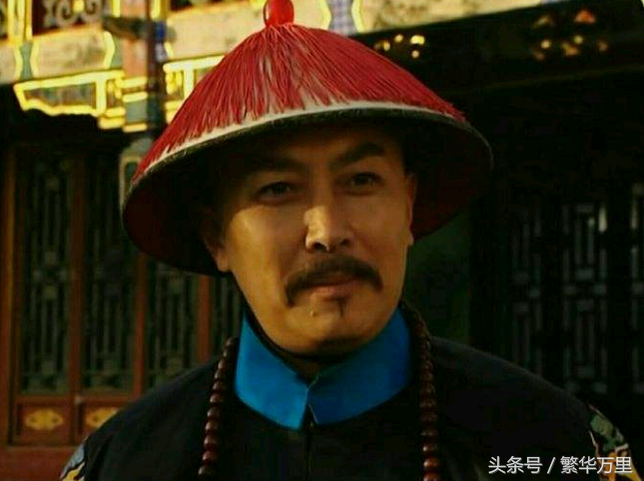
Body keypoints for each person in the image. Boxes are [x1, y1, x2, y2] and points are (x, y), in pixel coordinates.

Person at [59, 0, 640, 480]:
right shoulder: (122, 462)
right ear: (216, 238)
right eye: (278, 189)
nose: (328, 232)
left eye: (361, 181)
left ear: (408, 205)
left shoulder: (556, 444)